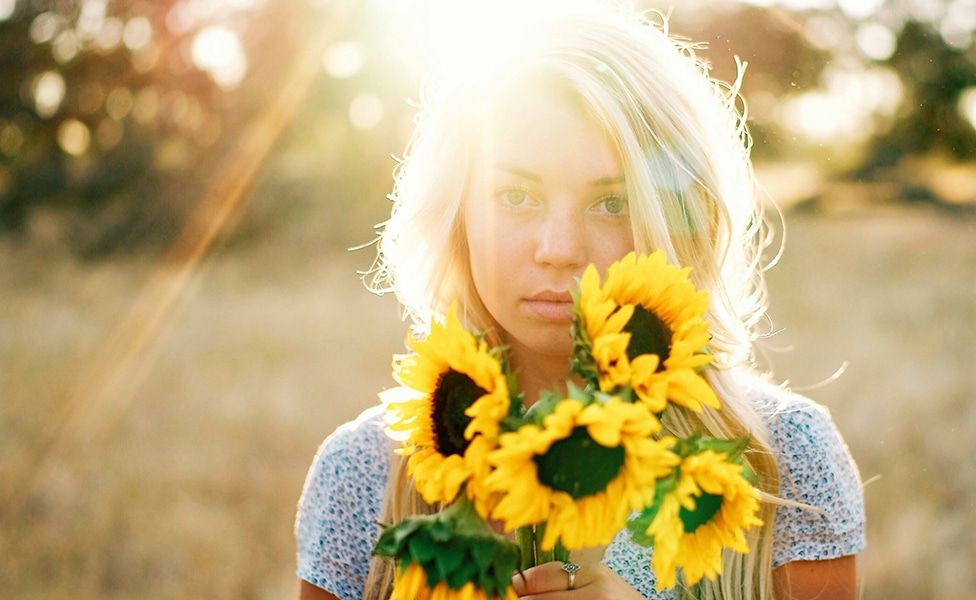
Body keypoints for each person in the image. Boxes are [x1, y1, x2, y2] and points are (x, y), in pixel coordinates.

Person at [295, 2, 865, 599]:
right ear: (456, 212)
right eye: (516, 196)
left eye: (612, 203)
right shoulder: (364, 474)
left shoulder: (783, 461)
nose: (560, 249)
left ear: (682, 223)